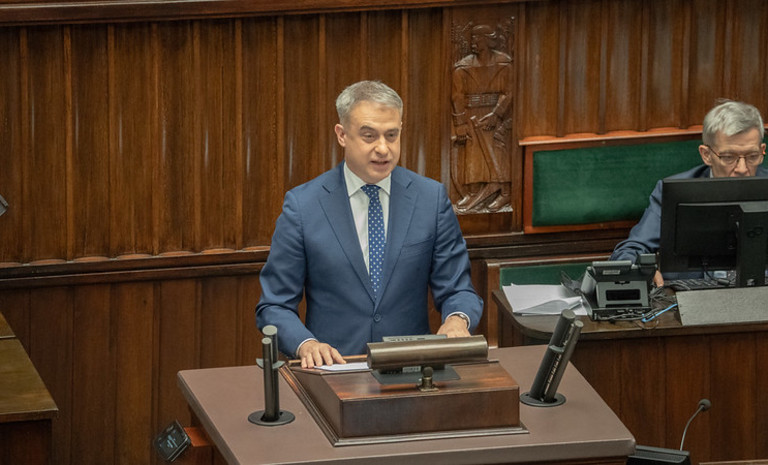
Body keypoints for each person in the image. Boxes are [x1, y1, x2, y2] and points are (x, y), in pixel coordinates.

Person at [256, 80, 483, 368]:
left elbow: (458, 289)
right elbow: (274, 306)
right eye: (369, 136)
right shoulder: (303, 206)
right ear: (342, 135)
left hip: (413, 370)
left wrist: (457, 320)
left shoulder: (430, 199)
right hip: (336, 369)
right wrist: (306, 344)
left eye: (392, 135)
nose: (383, 148)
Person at [611, 100, 768, 286]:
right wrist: (641, 270)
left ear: (762, 150)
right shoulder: (674, 192)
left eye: (752, 156)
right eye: (728, 157)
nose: (742, 168)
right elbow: (632, 249)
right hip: (690, 294)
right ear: (706, 154)